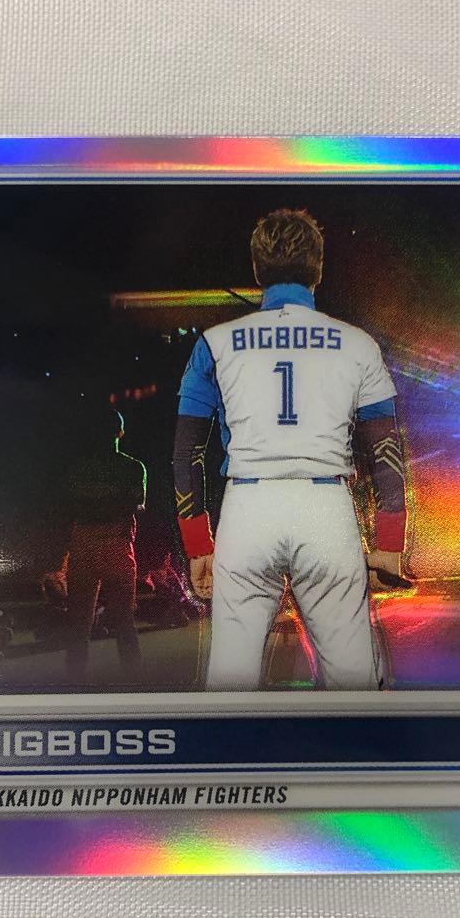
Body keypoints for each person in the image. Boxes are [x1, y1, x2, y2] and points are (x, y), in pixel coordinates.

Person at [172, 208, 408, 690]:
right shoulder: (359, 345)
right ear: (318, 269)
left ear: (257, 270)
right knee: (353, 685)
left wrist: (198, 545)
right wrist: (389, 544)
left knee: (231, 684)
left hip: (248, 507)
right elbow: (386, 450)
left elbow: (185, 453)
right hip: (326, 507)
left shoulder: (214, 343)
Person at [63, 406, 146, 683]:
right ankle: (135, 685)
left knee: (79, 625)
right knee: (124, 623)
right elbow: (136, 505)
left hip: (83, 543)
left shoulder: (78, 468)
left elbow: (70, 506)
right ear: (120, 432)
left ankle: (73, 686)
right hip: (116, 545)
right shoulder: (133, 467)